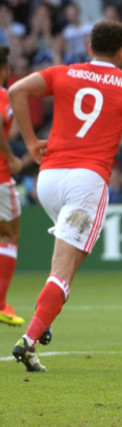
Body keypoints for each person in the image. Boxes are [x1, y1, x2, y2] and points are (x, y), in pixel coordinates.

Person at [10, 20, 122, 371]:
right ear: (121, 52)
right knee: (63, 269)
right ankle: (28, 341)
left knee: (70, 262)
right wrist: (121, 131)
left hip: (48, 180)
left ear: (90, 48)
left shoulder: (66, 72)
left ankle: (44, 322)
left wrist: (31, 144)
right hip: (86, 181)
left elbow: (16, 91)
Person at [0, 45, 24, 327]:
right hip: (1, 176)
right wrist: (11, 158)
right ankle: (1, 303)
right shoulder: (2, 94)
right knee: (10, 234)